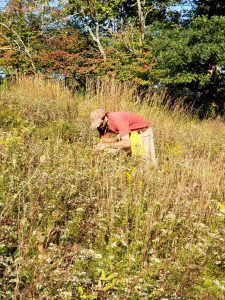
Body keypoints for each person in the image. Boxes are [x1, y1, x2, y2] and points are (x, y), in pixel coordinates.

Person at [90, 109, 157, 166]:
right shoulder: (101, 126)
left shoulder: (117, 119)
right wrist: (114, 139)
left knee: (147, 162)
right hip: (129, 134)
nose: (99, 127)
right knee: (130, 160)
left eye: (100, 124)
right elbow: (104, 140)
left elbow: (127, 143)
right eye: (97, 126)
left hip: (142, 133)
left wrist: (108, 145)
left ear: (105, 118)